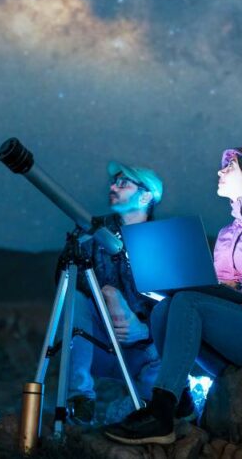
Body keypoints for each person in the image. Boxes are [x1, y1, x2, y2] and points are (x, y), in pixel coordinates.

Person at [104, 146, 242, 445]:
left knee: (187, 303)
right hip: (233, 337)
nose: (220, 171)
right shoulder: (226, 235)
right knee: (166, 308)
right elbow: (214, 296)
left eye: (229, 167)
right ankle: (181, 404)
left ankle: (160, 413)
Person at [58, 161, 194, 424]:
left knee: (135, 413)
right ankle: (80, 400)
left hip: (143, 353)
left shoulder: (165, 243)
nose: (113, 187)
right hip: (99, 343)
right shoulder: (94, 233)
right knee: (74, 299)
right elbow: (64, 276)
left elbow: (181, 306)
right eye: (113, 182)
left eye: (123, 183)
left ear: (145, 195)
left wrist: (145, 330)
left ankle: (159, 405)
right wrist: (109, 294)